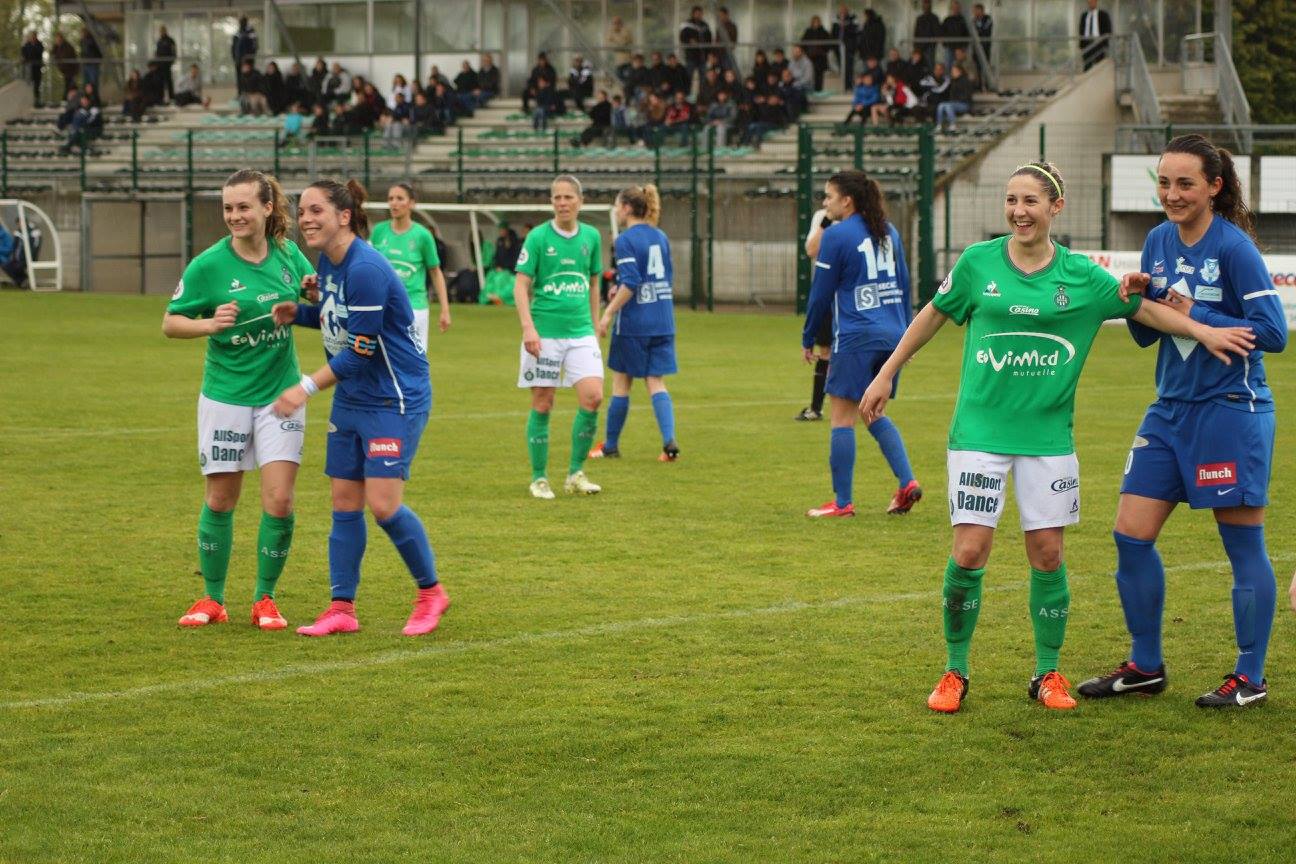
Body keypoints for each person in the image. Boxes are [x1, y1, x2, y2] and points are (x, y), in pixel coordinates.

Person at [859, 161, 1255, 714]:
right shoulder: (978, 264)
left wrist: (1204, 329)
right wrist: (885, 373)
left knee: (1047, 555)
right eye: (1011, 200)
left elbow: (1147, 311)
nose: (1019, 212)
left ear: (1055, 208)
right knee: (970, 550)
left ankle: (1047, 672)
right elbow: (932, 315)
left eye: (1030, 202)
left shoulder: (1082, 277)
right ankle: (955, 671)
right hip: (979, 433)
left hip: (1047, 438)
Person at [1078, 135, 1287, 709]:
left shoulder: (1234, 247)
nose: (1171, 195)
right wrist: (1139, 299)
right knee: (1130, 534)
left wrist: (1193, 310)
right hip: (1168, 411)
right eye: (1164, 183)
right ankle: (1145, 666)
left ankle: (1250, 677)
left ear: (1214, 187)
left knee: (1242, 544)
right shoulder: (1157, 241)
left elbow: (1273, 333)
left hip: (1231, 412)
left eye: (1185, 184)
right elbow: (1150, 332)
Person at [272, 179, 450, 638]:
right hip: (353, 397)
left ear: (344, 216)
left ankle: (431, 593)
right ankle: (341, 608)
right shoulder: (328, 264)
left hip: (393, 396)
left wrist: (305, 387)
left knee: (384, 505)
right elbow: (338, 319)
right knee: (344, 504)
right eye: (302, 211)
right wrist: (301, 312)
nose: (306, 219)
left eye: (316, 210)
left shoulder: (366, 267)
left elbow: (361, 349)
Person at [162, 169, 315, 631]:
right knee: (221, 498)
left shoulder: (289, 254)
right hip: (226, 395)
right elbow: (170, 323)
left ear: (268, 209)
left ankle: (264, 598)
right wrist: (210, 324)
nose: (235, 216)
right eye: (228, 208)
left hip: (280, 395)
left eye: (244, 206)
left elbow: (314, 295)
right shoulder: (208, 265)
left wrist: (310, 296)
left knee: (280, 500)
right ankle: (212, 598)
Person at [801, 171, 919, 519]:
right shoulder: (890, 232)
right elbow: (905, 286)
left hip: (855, 336)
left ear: (846, 200)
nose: (825, 203)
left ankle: (842, 502)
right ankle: (907, 483)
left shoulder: (836, 235)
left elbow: (821, 293)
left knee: (841, 418)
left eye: (829, 196)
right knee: (873, 412)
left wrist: (809, 337)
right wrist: (906, 339)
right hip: (892, 336)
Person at [513, 175, 604, 499]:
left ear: (580, 201)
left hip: (581, 332)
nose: (562, 203)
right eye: (557, 198)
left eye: (568, 197)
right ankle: (539, 477)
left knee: (593, 397)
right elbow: (521, 285)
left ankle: (576, 473)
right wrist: (528, 327)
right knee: (543, 402)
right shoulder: (538, 237)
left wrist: (595, 325)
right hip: (545, 333)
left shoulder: (591, 237)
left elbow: (594, 284)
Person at [588, 184, 680, 462]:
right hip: (663, 319)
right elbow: (664, 277)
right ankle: (669, 443)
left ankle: (611, 445)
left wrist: (608, 313)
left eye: (617, 205)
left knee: (621, 383)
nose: (616, 211)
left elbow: (631, 282)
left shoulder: (626, 240)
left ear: (627, 208)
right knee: (656, 382)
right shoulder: (660, 236)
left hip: (635, 323)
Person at [370, 182, 450, 352]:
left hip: (415, 307)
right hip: (383, 306)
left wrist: (445, 309)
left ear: (412, 203)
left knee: (415, 359)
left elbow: (435, 272)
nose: (394, 203)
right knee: (384, 360)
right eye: (391, 198)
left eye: (400, 198)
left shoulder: (423, 235)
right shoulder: (378, 231)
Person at [797, 206, 834, 422]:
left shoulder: (862, 221)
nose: (827, 202)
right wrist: (826, 222)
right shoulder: (822, 217)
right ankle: (816, 408)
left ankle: (867, 404)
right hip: (828, 294)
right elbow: (811, 250)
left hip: (851, 296)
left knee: (856, 349)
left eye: (831, 196)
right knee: (826, 349)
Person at [679, 6, 712, 90]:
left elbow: (709, 40)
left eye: (700, 14)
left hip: (703, 57)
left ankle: (702, 95)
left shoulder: (705, 25)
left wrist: (709, 53)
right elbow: (682, 38)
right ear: (693, 14)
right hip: (691, 56)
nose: (699, 15)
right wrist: (690, 41)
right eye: (697, 14)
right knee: (688, 77)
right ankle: (687, 94)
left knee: (703, 78)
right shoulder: (687, 25)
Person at [935, 63, 973, 131]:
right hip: (954, 103)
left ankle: (953, 125)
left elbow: (967, 95)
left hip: (964, 104)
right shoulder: (952, 81)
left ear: (960, 72)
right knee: (941, 105)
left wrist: (956, 100)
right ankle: (939, 125)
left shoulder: (966, 81)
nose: (952, 73)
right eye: (952, 71)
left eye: (954, 71)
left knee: (948, 105)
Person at [801, 16, 833, 92]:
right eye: (814, 22)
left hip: (820, 58)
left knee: (819, 75)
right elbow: (803, 43)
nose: (816, 23)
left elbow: (829, 44)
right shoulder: (808, 31)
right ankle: (811, 90)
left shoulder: (824, 32)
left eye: (817, 21)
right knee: (810, 74)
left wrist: (822, 51)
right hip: (810, 57)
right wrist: (807, 52)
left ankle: (819, 90)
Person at [831, 5, 859, 90]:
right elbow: (833, 35)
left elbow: (855, 35)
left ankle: (849, 86)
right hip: (838, 49)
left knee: (849, 68)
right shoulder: (836, 23)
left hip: (849, 49)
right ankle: (844, 84)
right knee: (841, 67)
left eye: (844, 11)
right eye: (841, 11)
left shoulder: (852, 22)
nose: (842, 13)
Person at [1079, 0, 1112, 71]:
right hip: (1086, 44)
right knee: (1087, 67)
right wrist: (1081, 45)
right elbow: (1081, 30)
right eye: (1089, 1)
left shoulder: (1103, 14)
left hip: (1098, 43)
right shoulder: (1084, 15)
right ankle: (1087, 81)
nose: (1091, 3)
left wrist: (1104, 43)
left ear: (1096, 2)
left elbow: (1108, 30)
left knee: (1099, 66)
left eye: (1093, 1)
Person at [941, 0, 971, 73]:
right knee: (948, 66)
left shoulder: (963, 20)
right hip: (949, 48)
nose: (955, 9)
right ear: (951, 8)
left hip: (960, 49)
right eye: (953, 7)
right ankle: (949, 83)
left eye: (956, 7)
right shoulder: (947, 20)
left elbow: (967, 35)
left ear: (959, 8)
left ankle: (959, 83)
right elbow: (942, 33)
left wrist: (963, 48)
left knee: (960, 67)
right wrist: (945, 44)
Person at [971, 3, 993, 89]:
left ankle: (988, 84)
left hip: (985, 47)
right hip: (976, 48)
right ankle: (979, 85)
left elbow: (984, 31)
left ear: (981, 10)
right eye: (974, 11)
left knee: (986, 66)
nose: (975, 13)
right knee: (977, 67)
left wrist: (978, 28)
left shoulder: (988, 19)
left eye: (976, 11)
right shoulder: (973, 20)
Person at [607, 16, 634, 83]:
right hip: (617, 62)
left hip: (628, 61)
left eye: (618, 22)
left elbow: (624, 42)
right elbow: (609, 44)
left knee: (629, 79)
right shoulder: (610, 32)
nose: (616, 25)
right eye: (614, 23)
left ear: (621, 23)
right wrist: (617, 43)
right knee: (619, 80)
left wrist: (615, 40)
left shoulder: (626, 30)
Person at [21, 32, 44, 106]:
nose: (33, 38)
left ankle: (37, 101)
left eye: (34, 37)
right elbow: (24, 53)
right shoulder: (27, 45)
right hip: (29, 68)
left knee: (37, 85)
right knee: (28, 85)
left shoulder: (39, 44)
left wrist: (33, 46)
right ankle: (28, 101)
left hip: (37, 68)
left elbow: (39, 52)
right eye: (32, 37)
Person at [155, 26, 177, 101]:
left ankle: (171, 97)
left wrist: (172, 61)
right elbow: (157, 53)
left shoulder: (170, 40)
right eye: (160, 31)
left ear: (165, 31)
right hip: (160, 64)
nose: (161, 32)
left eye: (163, 31)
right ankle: (161, 98)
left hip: (167, 64)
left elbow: (174, 52)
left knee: (168, 81)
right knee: (161, 81)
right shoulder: (159, 41)